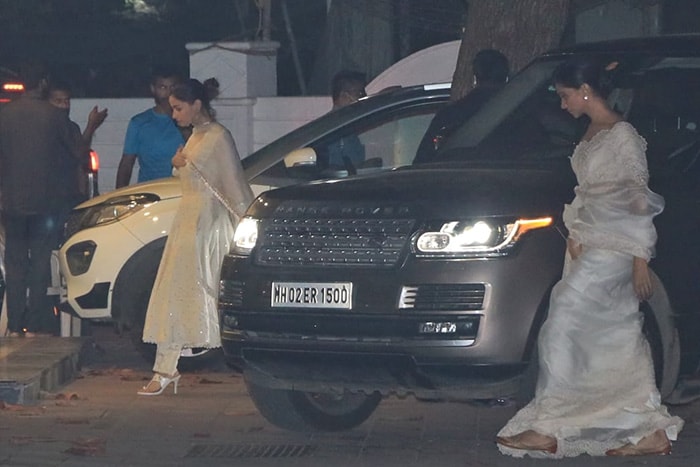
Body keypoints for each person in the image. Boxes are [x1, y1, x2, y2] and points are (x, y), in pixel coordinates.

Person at [495, 57, 683, 458]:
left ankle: (549, 425)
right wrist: (576, 233)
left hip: (616, 246)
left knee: (562, 320)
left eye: (565, 96)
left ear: (585, 91)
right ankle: (646, 427)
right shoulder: (592, 130)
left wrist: (639, 258)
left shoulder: (624, 136)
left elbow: (637, 198)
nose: (562, 105)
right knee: (613, 334)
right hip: (588, 243)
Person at [138, 78, 253, 395]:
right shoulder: (196, 137)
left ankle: (253, 364)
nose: (174, 115)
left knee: (214, 294)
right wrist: (178, 163)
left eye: (178, 108)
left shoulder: (217, 137)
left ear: (196, 105)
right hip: (187, 225)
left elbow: (233, 185)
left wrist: (248, 226)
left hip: (209, 227)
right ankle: (164, 369)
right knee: (173, 294)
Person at [0, 60, 83, 337]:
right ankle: (34, 323)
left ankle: (13, 325)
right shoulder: (54, 116)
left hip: (11, 202)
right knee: (38, 263)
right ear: (44, 83)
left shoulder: (5, 114)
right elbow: (75, 156)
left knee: (14, 262)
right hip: (46, 202)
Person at [414, 49, 509, 163]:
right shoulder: (519, 112)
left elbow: (422, 161)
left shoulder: (450, 115)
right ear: (506, 77)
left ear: (475, 78)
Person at [115, 67, 186, 188]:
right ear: (153, 89)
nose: (168, 93)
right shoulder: (139, 123)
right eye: (163, 88)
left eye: (173, 87)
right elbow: (127, 163)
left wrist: (175, 116)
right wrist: (118, 196)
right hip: (150, 192)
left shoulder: (187, 120)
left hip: (181, 191)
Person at [47, 79, 108, 205]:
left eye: (66, 101)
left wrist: (82, 193)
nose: (64, 106)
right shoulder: (43, 127)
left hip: (70, 193)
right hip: (48, 195)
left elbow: (81, 154)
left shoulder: (72, 127)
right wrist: (91, 126)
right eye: (58, 101)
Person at [323, 70, 367, 170]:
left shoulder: (348, 125)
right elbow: (338, 169)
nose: (363, 97)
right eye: (359, 93)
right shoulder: (333, 129)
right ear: (344, 96)